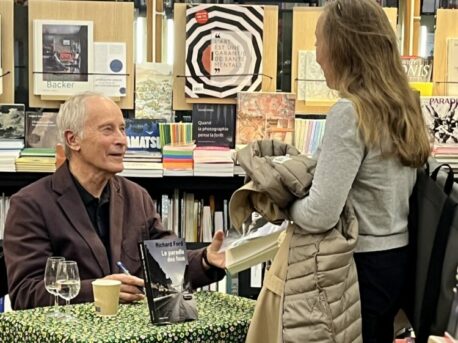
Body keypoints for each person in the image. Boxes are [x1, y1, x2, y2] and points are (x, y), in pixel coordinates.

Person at [3, 92, 226, 310]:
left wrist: (205, 260)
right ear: (73, 140)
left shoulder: (137, 196)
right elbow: (26, 292)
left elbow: (167, 263)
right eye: (108, 130)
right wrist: (100, 291)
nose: (122, 141)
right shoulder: (31, 204)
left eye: (122, 129)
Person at [288, 1, 430, 342]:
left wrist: (286, 207)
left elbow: (321, 214)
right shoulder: (404, 106)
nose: (316, 54)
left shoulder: (350, 112)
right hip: (397, 261)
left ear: (341, 46)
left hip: (357, 267)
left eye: (319, 40)